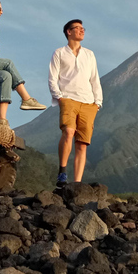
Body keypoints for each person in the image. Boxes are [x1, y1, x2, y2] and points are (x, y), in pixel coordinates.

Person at [48, 19, 102, 187]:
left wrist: (98, 102)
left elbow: (95, 79)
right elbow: (52, 77)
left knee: (82, 143)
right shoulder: (59, 53)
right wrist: (59, 96)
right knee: (69, 131)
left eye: (83, 28)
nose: (81, 31)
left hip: (88, 102)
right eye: (77, 28)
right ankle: (62, 172)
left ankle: (77, 183)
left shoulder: (89, 54)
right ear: (68, 32)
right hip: (68, 99)